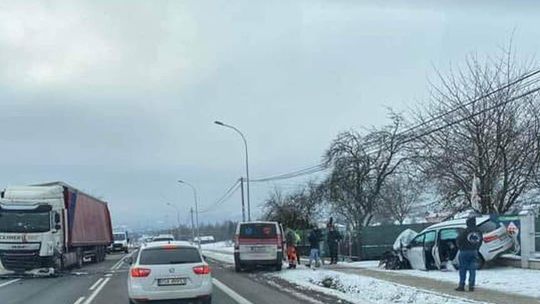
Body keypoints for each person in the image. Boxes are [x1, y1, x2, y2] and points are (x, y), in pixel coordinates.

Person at [455, 216, 483, 292]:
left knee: (463, 269)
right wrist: (476, 248)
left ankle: (462, 285)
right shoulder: (479, 231)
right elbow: (480, 241)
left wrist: (460, 247)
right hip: (474, 252)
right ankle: (471, 286)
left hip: (464, 252)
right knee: (472, 270)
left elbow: (458, 240)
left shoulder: (465, 231)